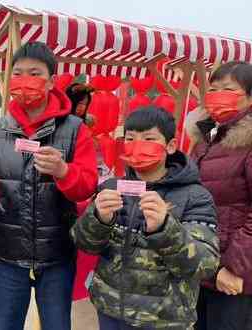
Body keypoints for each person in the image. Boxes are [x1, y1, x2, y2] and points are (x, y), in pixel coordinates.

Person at [0, 41, 98, 330]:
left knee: (56, 325)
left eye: (35, 73)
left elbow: (87, 186)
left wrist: (64, 171)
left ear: (52, 81)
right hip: (6, 255)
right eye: (18, 73)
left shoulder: (75, 130)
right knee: (4, 325)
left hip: (57, 255)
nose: (25, 80)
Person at [71, 106, 219, 330]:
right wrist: (98, 218)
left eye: (149, 138)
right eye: (130, 139)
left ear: (170, 146)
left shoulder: (194, 196)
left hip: (163, 318)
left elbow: (205, 265)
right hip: (110, 308)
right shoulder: (112, 187)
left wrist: (165, 229)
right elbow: (84, 243)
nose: (138, 145)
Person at [189, 62, 252, 330]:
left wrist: (235, 267)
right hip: (203, 266)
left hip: (235, 275)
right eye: (213, 89)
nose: (217, 95)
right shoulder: (206, 139)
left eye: (228, 89)